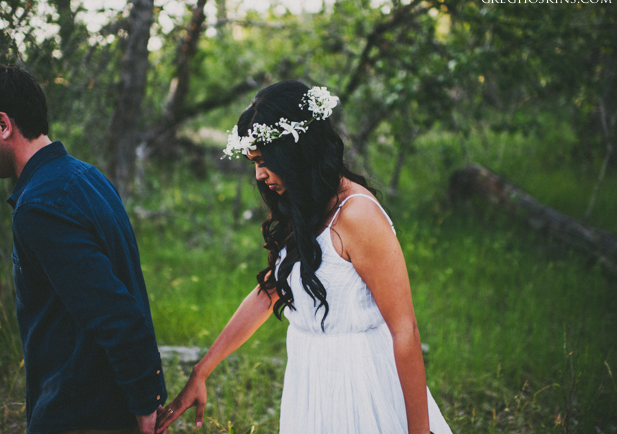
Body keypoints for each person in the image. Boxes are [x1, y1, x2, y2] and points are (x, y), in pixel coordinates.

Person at [156, 80, 452, 433]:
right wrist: (201, 370)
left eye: (264, 162)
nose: (259, 176)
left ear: (296, 152)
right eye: (253, 162)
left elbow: (405, 330)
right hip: (310, 382)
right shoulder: (308, 203)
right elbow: (271, 291)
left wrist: (418, 431)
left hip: (360, 385)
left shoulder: (357, 216)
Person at [0, 64, 167, 434]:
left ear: (2, 124)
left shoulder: (40, 207)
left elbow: (116, 313)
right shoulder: (86, 176)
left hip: (79, 413)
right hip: (106, 405)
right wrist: (147, 396)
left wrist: (145, 403)